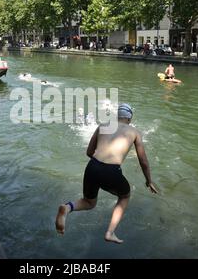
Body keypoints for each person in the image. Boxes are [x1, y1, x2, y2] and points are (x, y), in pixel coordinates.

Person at [55, 104, 158, 244]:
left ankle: (67, 208)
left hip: (92, 166)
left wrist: (99, 165)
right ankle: (110, 232)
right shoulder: (134, 132)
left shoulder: (104, 125)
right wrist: (149, 181)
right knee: (125, 196)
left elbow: (89, 152)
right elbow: (143, 161)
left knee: (88, 202)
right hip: (110, 171)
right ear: (129, 118)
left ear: (117, 116)